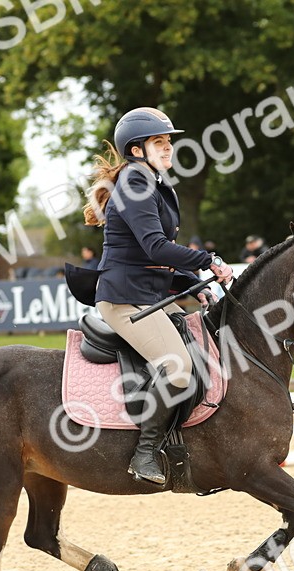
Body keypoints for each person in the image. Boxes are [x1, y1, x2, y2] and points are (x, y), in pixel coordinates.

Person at [82, 107, 233, 484]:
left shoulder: (153, 183)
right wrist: (207, 260)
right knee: (178, 368)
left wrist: (190, 285)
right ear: (137, 151)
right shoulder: (136, 182)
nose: (168, 149)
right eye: (159, 142)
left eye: (168, 142)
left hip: (146, 294)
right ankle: (145, 452)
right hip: (123, 299)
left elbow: (157, 258)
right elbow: (154, 247)